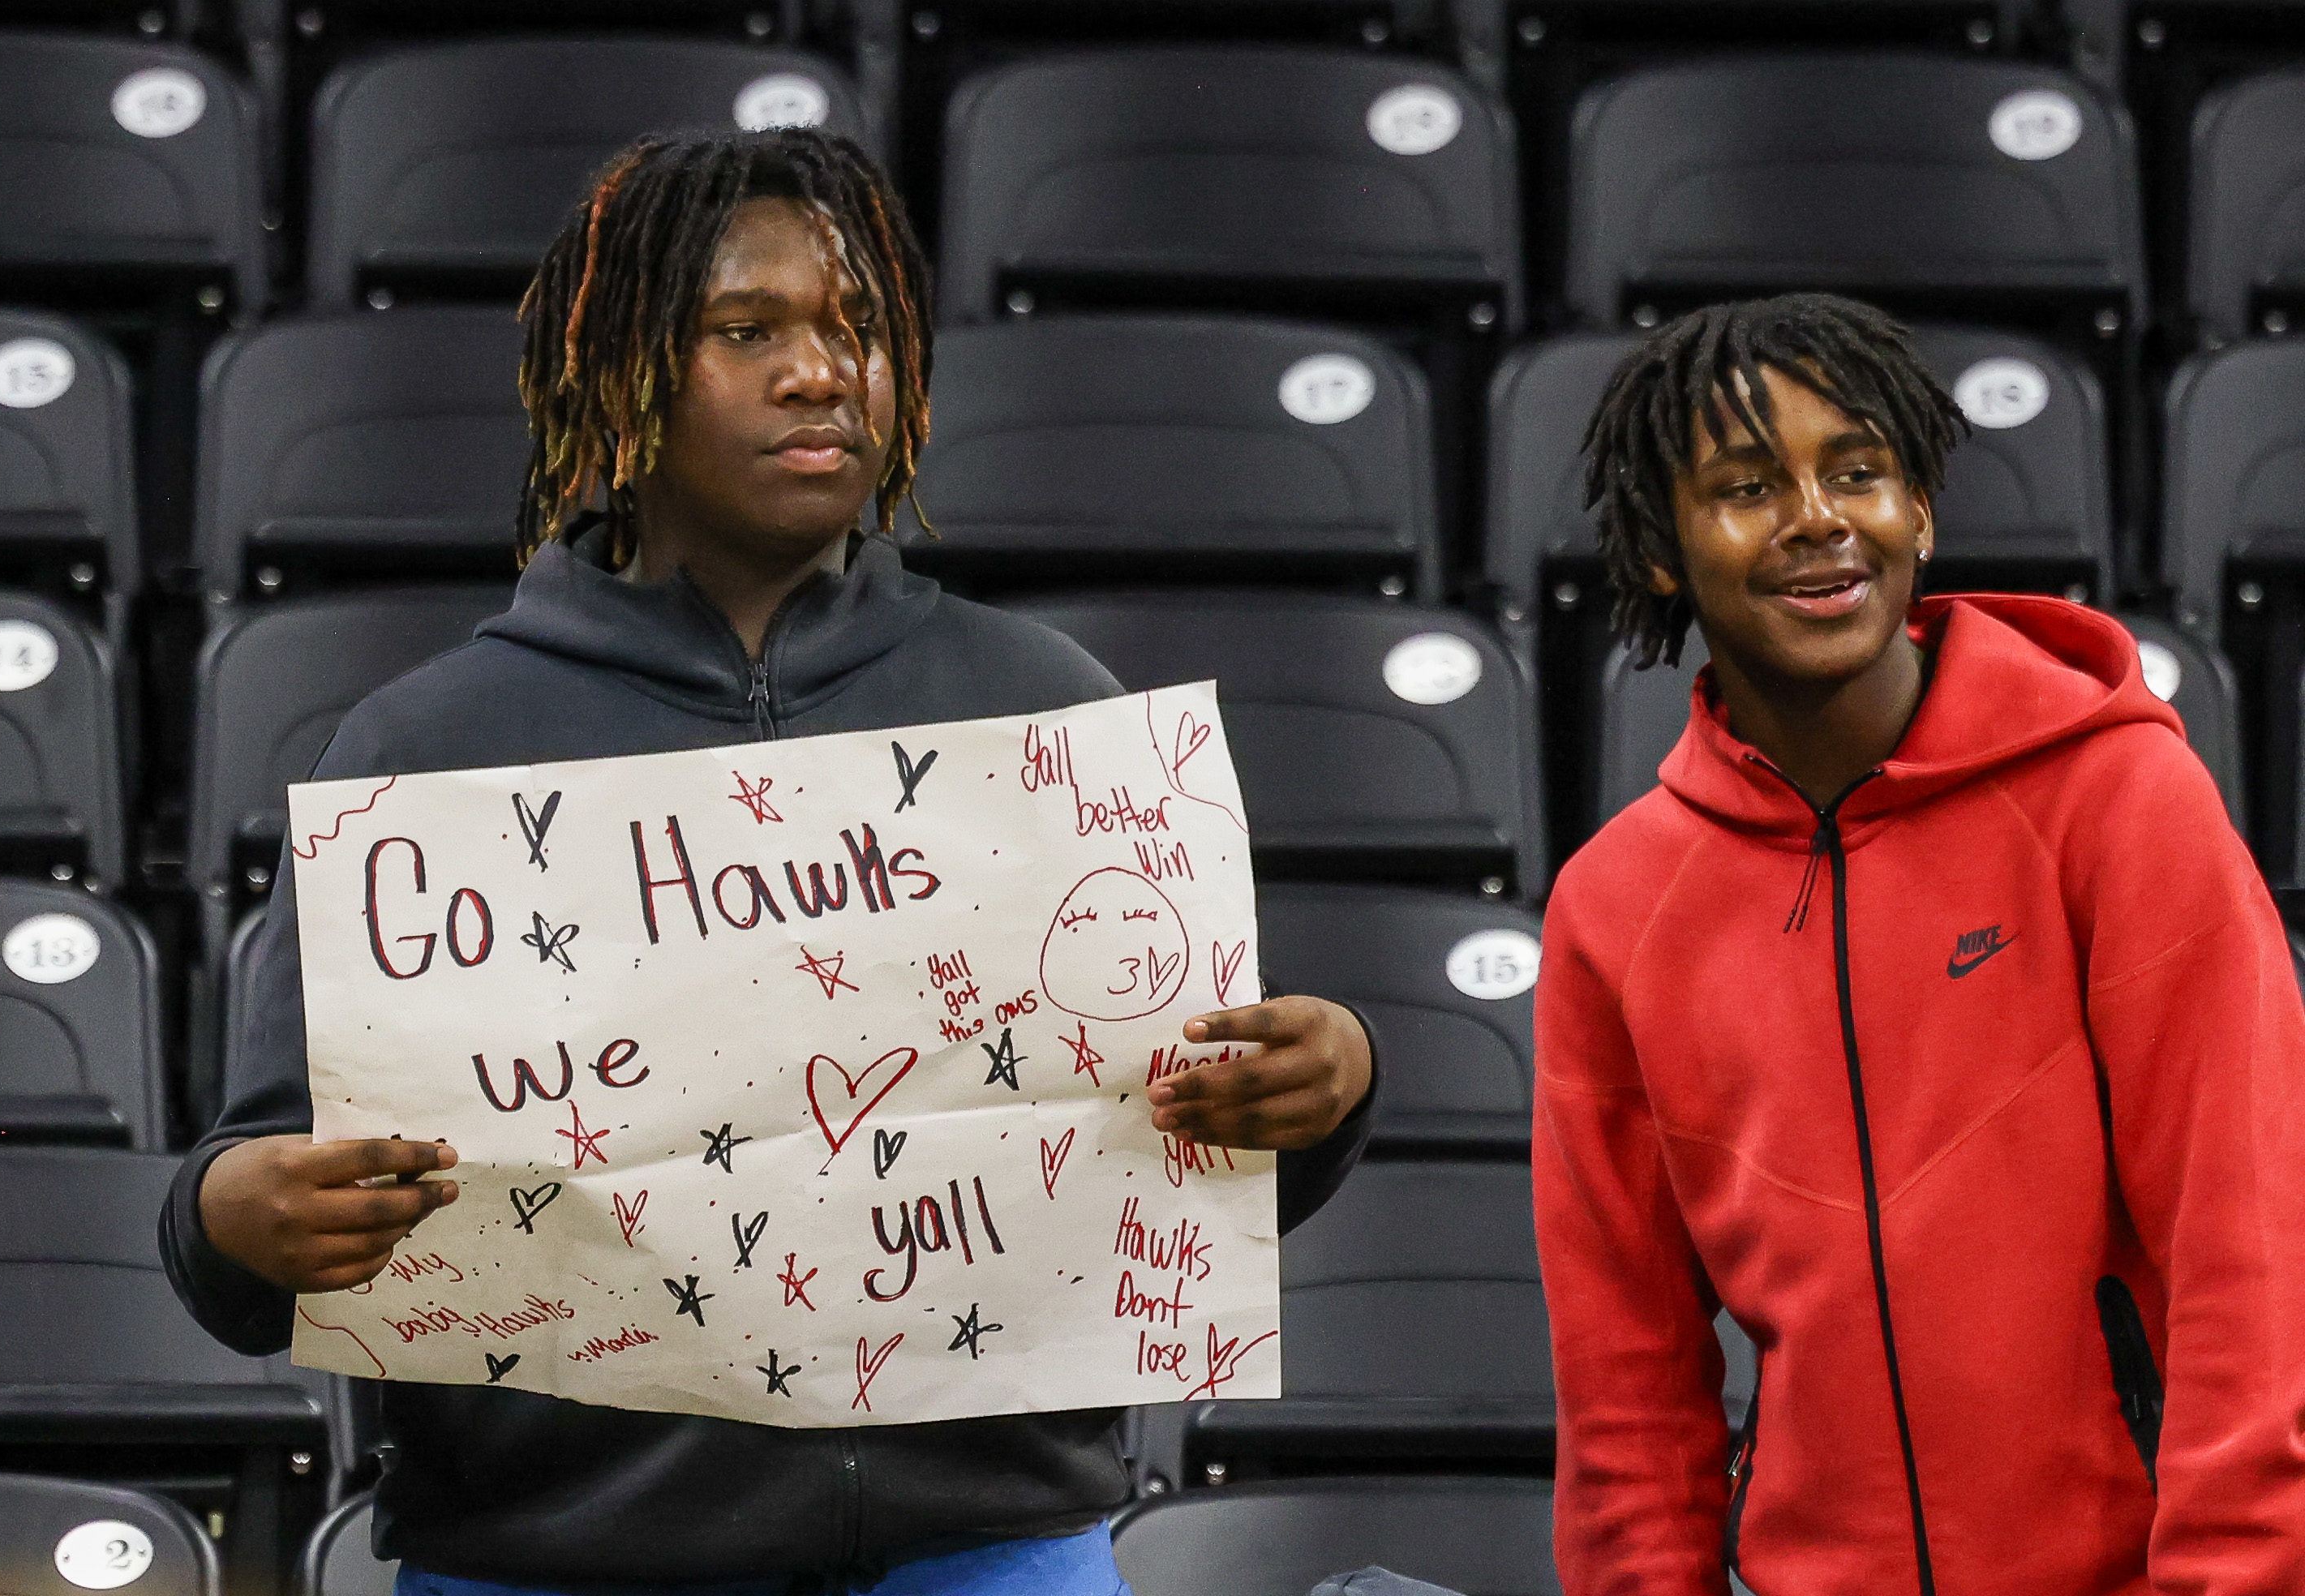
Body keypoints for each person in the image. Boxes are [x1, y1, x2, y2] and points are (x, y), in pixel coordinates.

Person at [159, 128, 1376, 1596]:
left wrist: (1324, 1084)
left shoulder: (1055, 707)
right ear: (614, 379)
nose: (821, 372)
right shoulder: (420, 750)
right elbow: (242, 1201)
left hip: (990, 1554)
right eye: (748, 331)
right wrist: (240, 1216)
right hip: (548, 1566)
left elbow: (1178, 1160)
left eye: (858, 330)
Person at [1534, 293, 2305, 1596]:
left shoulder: (2120, 802)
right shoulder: (1616, 910)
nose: (1821, 517)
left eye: (1859, 472)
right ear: (1663, 550)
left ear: (1922, 514)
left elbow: (2249, 1271)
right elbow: (1627, 1407)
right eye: (1746, 485)